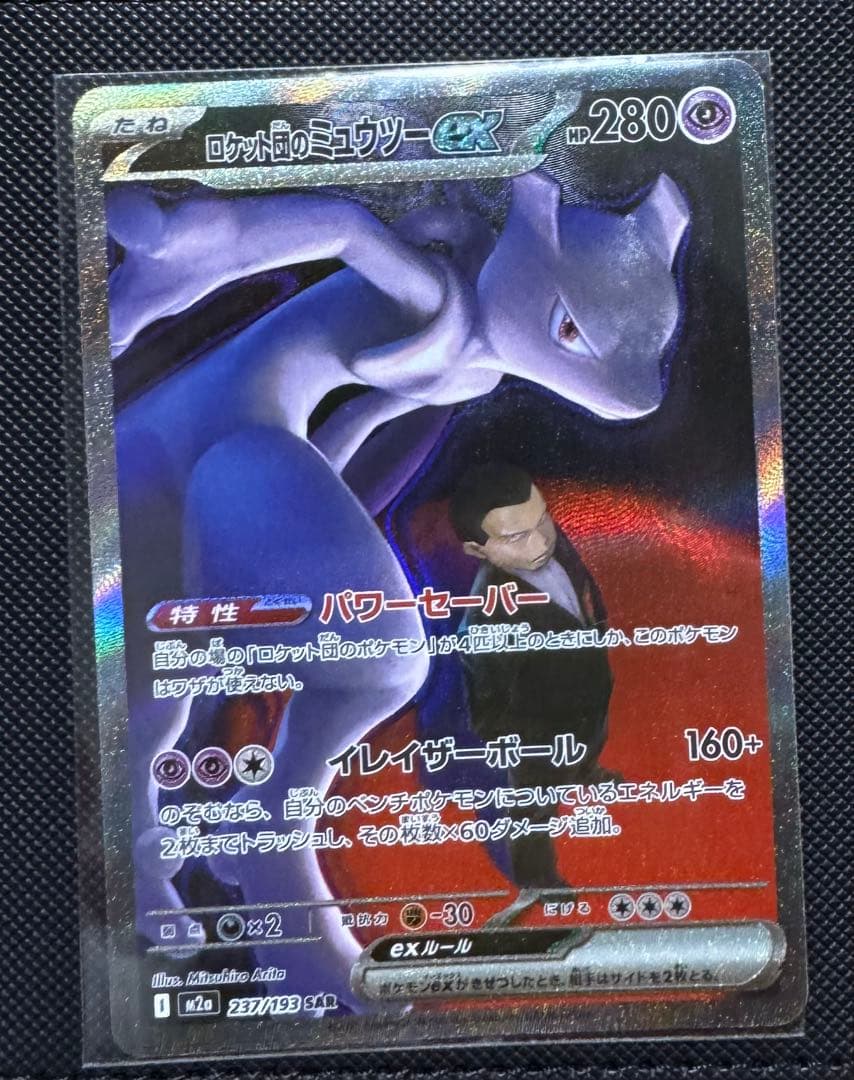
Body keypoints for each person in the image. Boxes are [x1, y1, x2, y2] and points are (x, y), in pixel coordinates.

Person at [450, 463, 616, 926]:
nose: (541, 541)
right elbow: (487, 704)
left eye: (543, 520)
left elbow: (581, 582)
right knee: (532, 804)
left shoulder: (554, 544)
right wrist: (524, 743)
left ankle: (584, 770)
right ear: (477, 550)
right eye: (517, 537)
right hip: (536, 730)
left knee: (591, 738)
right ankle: (536, 876)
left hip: (586, 686)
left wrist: (597, 627)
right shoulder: (484, 619)